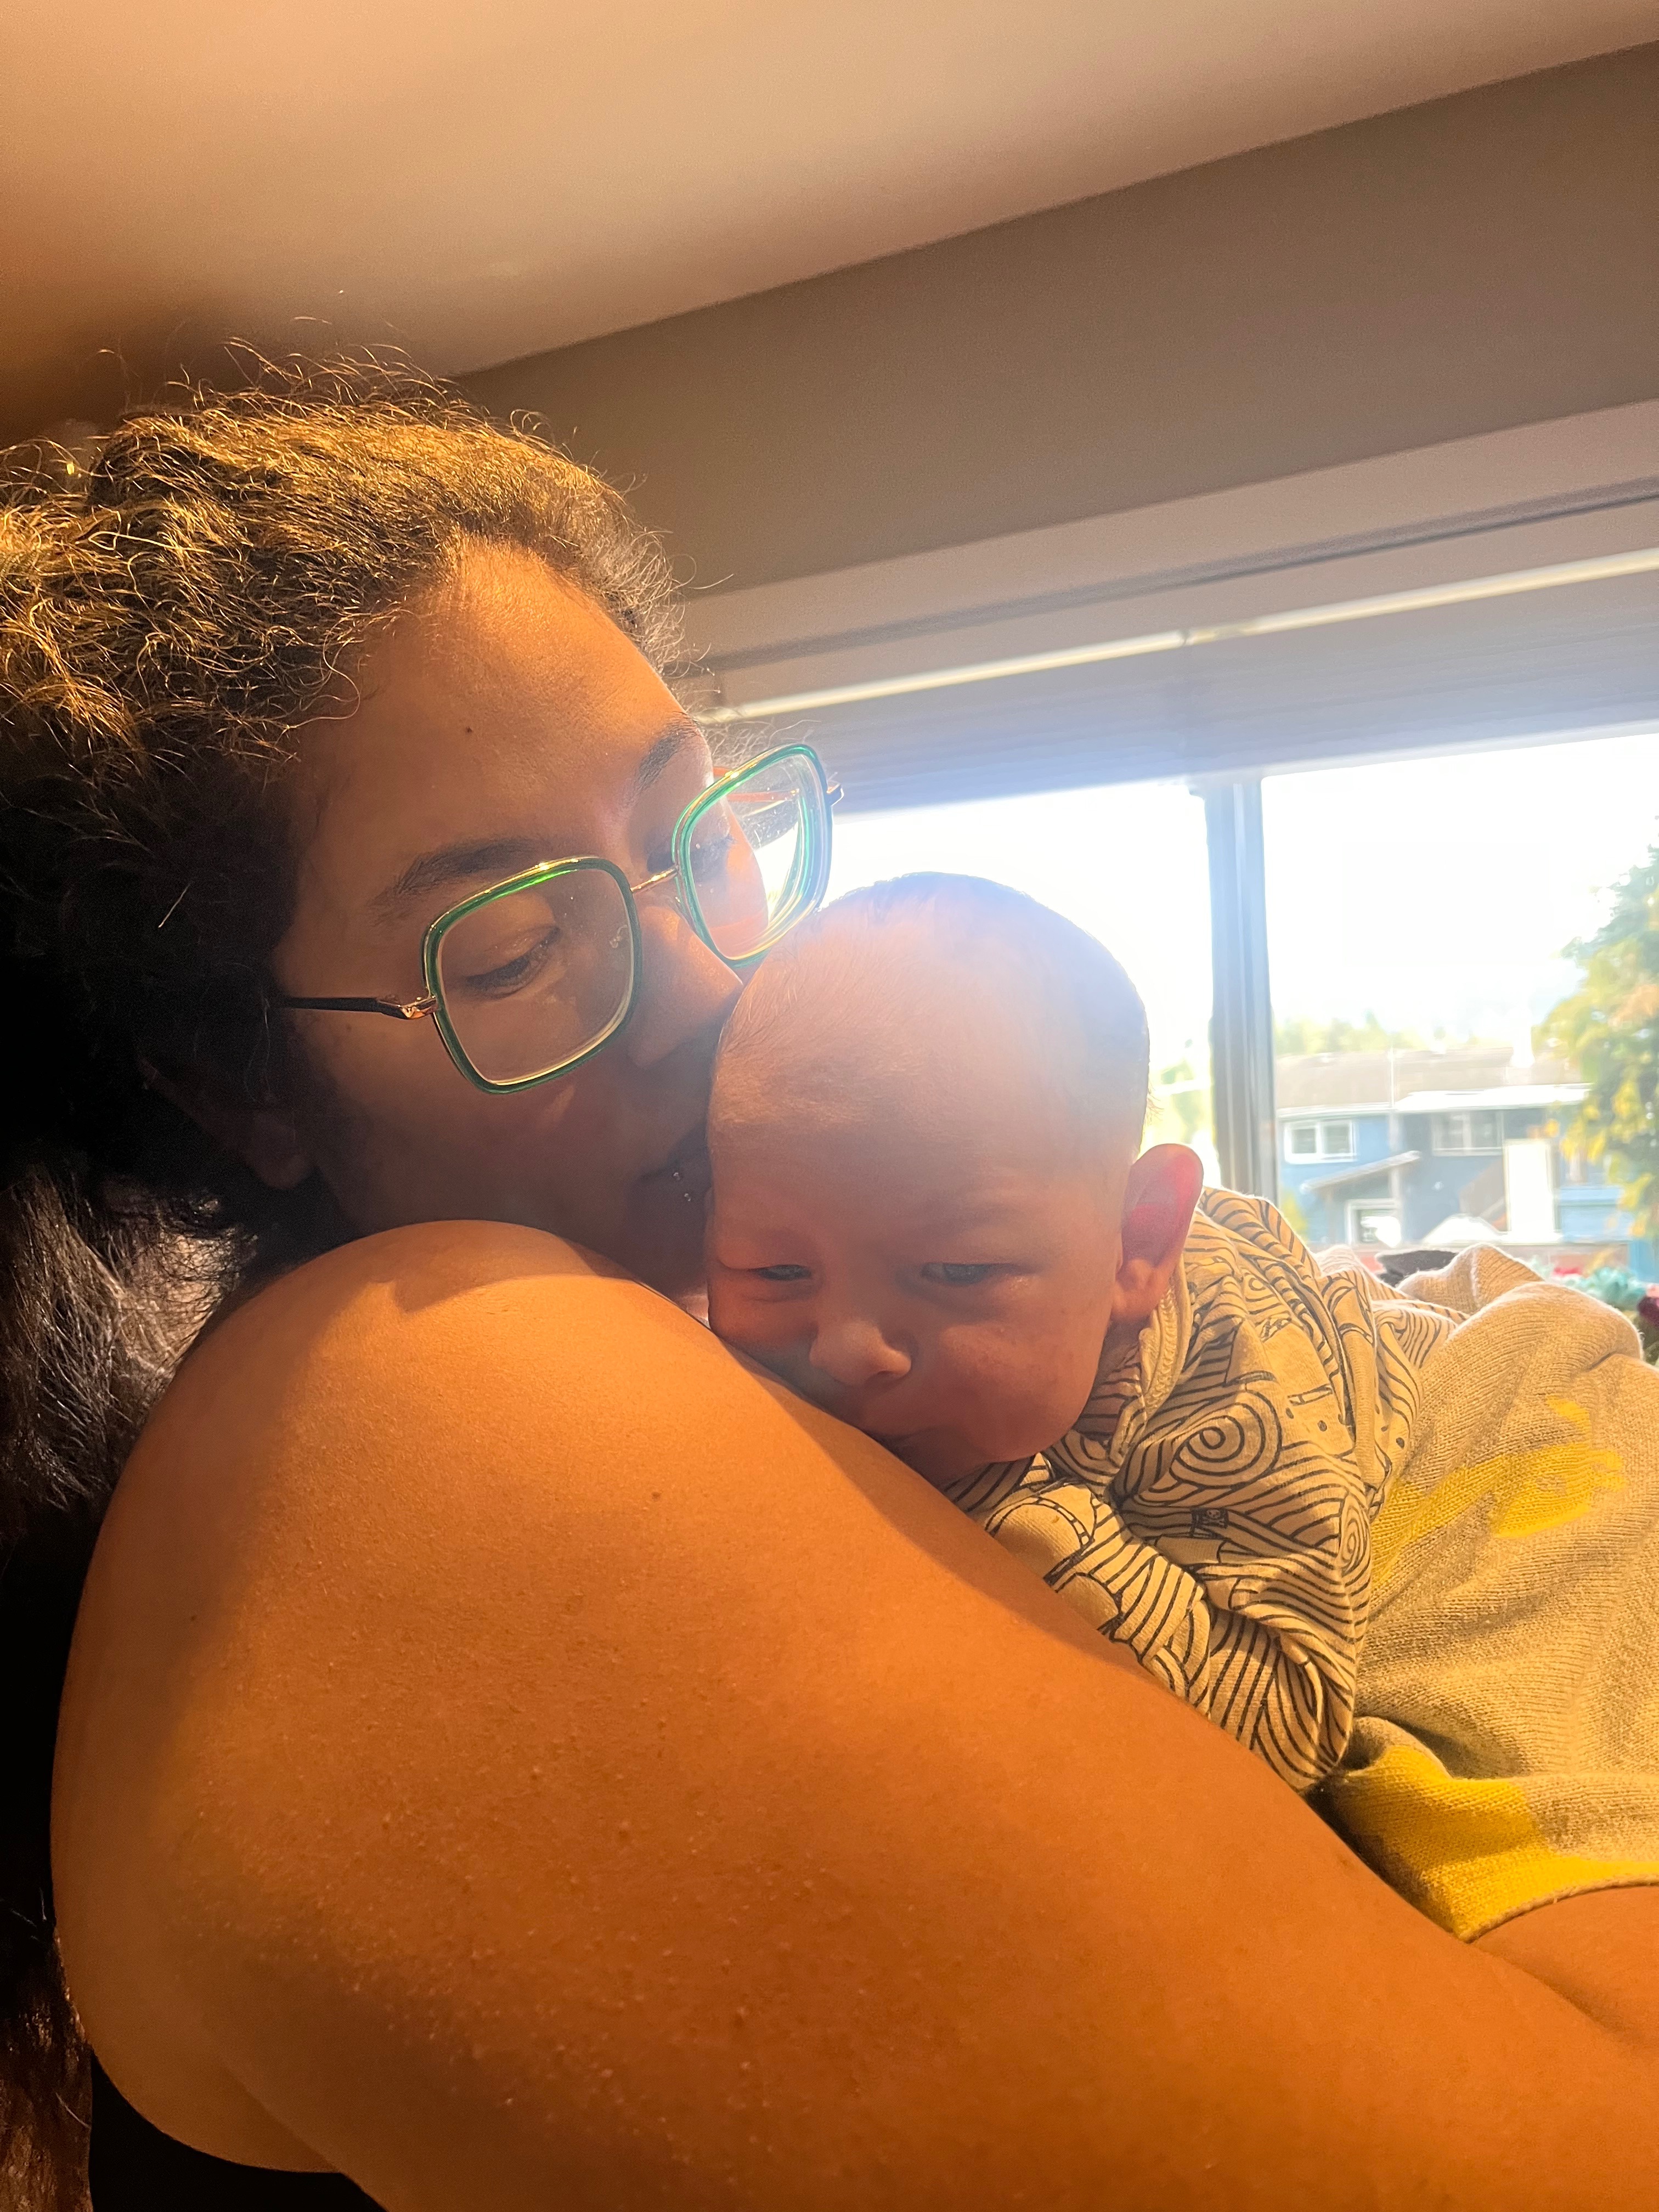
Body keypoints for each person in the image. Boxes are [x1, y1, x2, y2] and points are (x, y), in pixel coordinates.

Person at [3, 366, 1658, 2212]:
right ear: (233, 1089)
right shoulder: (430, 1401)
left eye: (699, 841)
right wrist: (1522, 1474)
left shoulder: (681, 1365)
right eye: (519, 947)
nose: (717, 989)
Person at [704, 874, 1659, 1924]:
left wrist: (1003, 1504)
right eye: (773, 1271)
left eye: (957, 1272)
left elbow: (1288, 1724)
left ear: (1138, 1243)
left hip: (1478, 1407)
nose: (846, 1351)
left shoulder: (1235, 1392)